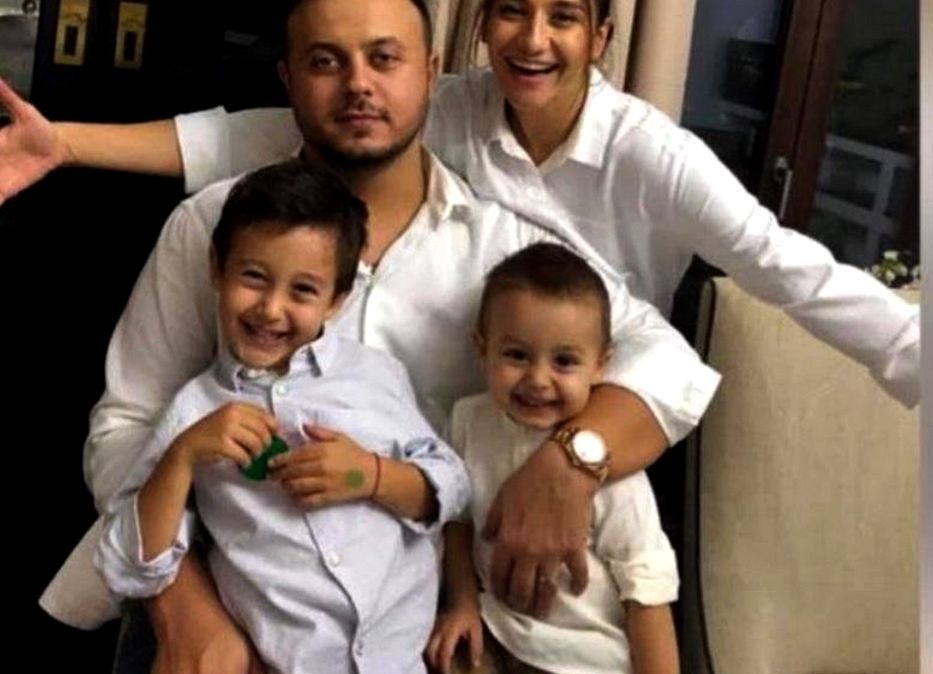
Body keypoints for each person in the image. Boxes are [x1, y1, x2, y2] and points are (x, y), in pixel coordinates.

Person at [32, 0, 720, 674]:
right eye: (325, 61)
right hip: (210, 586)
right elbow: (127, 424)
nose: (358, 84)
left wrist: (570, 463)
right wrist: (183, 605)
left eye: (384, 59)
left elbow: (667, 362)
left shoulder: (500, 250)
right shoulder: (213, 226)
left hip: (417, 624)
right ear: (288, 78)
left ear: (431, 72)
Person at [0, 0, 916, 407]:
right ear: (477, 31)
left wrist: (911, 358)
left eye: (563, 16)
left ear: (600, 36)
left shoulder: (651, 155)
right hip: (459, 410)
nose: (533, 38)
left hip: (600, 395)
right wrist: (66, 142)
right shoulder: (444, 106)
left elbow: (782, 266)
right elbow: (253, 135)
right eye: (511, 10)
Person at [96, 158, 470, 674]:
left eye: (303, 290)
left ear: (337, 300)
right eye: (253, 277)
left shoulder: (376, 377)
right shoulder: (194, 411)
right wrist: (182, 457)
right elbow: (130, 562)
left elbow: (451, 485)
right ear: (217, 269)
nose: (271, 309)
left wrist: (370, 476)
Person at [427, 243, 681, 674]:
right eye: (517, 356)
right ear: (482, 350)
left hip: (583, 667)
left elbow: (647, 590)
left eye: (564, 361)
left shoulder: (610, 471)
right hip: (493, 632)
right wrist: (461, 605)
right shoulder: (468, 421)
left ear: (600, 364)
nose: (538, 379)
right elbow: (458, 522)